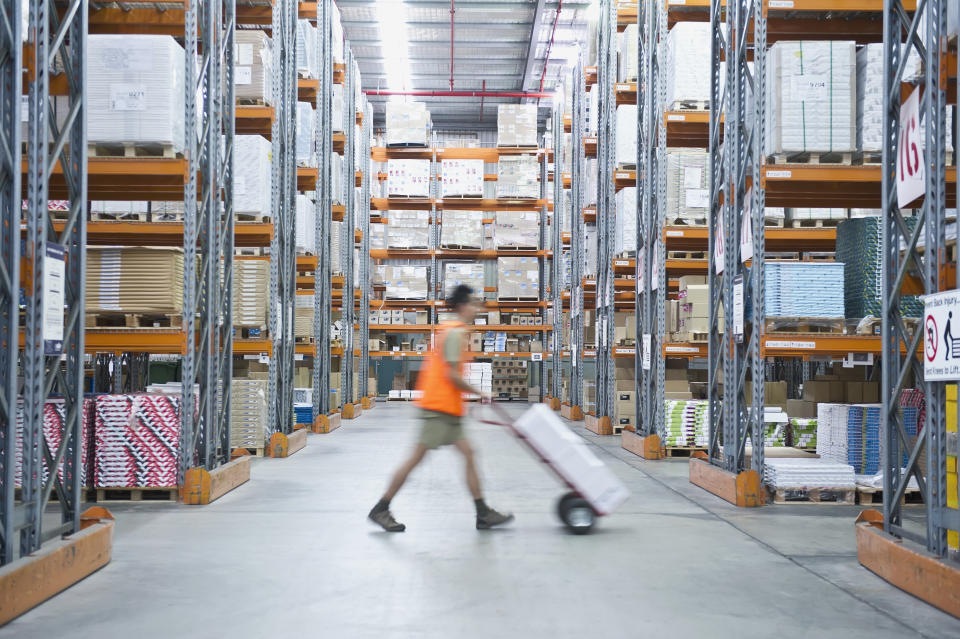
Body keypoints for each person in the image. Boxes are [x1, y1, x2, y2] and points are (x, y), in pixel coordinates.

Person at [368, 285, 514, 532]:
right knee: (415, 459)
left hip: (449, 410)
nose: (476, 308)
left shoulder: (457, 331)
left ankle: (483, 513)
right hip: (438, 409)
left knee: (469, 454)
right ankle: (381, 508)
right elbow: (451, 376)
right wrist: (482, 393)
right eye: (472, 303)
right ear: (461, 306)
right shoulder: (454, 333)